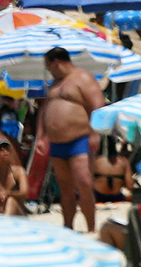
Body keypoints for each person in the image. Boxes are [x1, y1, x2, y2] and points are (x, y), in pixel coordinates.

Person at [42, 47, 104, 232]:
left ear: (56, 62)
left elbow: (97, 104)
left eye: (48, 66)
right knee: (65, 189)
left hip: (79, 140)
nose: (48, 70)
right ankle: (68, 227)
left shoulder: (82, 77)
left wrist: (95, 133)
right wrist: (41, 135)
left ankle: (91, 228)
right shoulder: (54, 84)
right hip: (57, 144)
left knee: (84, 183)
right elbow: (44, 111)